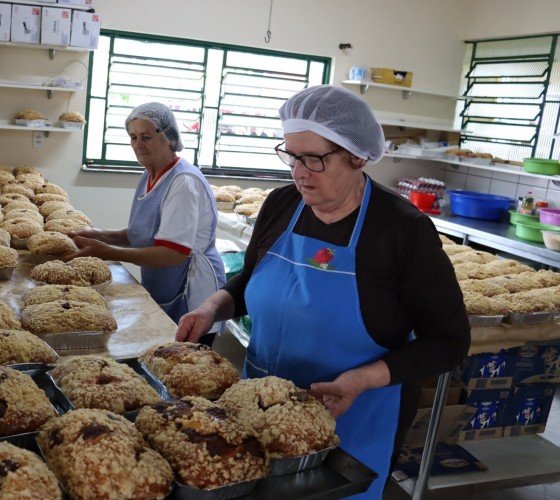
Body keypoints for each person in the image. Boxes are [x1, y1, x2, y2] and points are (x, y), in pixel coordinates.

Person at [175, 85, 470, 498]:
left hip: (354, 420)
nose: (299, 172)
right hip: (260, 409)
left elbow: (450, 341)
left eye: (314, 159)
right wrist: (212, 307)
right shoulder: (281, 205)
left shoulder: (403, 231)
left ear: (357, 157)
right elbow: (254, 279)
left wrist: (361, 380)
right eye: (292, 156)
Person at [67, 102, 226, 340]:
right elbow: (145, 232)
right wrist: (98, 234)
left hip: (190, 289)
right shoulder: (151, 173)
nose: (138, 145)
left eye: (146, 137)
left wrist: (109, 252)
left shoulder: (183, 183)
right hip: (165, 280)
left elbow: (174, 253)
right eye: (133, 137)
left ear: (169, 138)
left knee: (185, 364)